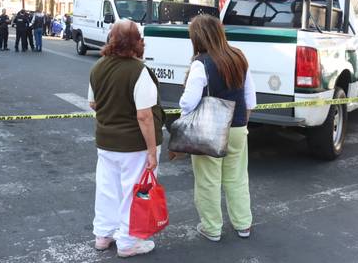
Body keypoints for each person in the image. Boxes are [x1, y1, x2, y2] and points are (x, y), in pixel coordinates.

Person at [88, 20, 165, 258]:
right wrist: (152, 151)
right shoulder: (139, 71)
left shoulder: (99, 66)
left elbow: (93, 102)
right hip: (134, 146)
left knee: (107, 188)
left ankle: (103, 234)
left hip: (106, 141)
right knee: (135, 192)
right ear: (137, 42)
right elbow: (144, 116)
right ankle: (129, 242)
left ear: (111, 38)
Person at [177, 14, 255, 242]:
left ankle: (212, 228)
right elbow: (250, 97)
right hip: (238, 126)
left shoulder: (201, 63)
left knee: (208, 180)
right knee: (237, 177)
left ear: (198, 38)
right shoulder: (239, 56)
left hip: (210, 129)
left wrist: (185, 122)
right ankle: (243, 224)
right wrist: (242, 121)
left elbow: (188, 101)